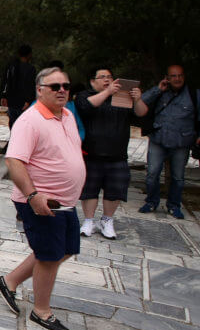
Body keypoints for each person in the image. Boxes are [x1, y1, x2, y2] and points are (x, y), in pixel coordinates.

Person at [0, 66, 86, 330]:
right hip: (40, 200)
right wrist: (33, 196)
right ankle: (41, 311)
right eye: (55, 86)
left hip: (65, 201)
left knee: (65, 248)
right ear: (40, 90)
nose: (62, 91)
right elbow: (13, 161)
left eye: (66, 86)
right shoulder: (30, 120)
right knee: (49, 256)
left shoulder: (67, 116)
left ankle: (9, 281)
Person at [75, 68, 148, 239]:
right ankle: (89, 220)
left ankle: (107, 220)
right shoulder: (85, 96)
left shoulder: (122, 98)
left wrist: (137, 99)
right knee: (89, 190)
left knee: (115, 190)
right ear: (93, 81)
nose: (107, 80)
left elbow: (142, 113)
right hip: (91, 154)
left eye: (110, 77)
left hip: (117, 155)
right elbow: (85, 107)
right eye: (102, 77)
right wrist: (107, 92)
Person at [139, 64, 198, 219]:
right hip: (159, 139)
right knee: (152, 173)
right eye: (173, 76)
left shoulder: (193, 94)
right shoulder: (161, 92)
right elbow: (141, 102)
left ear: (184, 77)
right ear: (167, 77)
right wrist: (158, 89)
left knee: (178, 177)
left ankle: (174, 205)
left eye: (180, 75)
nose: (177, 79)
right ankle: (151, 201)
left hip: (181, 142)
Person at [0, 44, 37, 131]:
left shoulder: (11, 66)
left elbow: (5, 81)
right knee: (23, 125)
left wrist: (3, 96)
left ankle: (13, 140)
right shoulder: (30, 69)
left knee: (13, 123)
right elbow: (30, 86)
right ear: (29, 55)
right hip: (23, 103)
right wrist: (28, 101)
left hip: (12, 101)